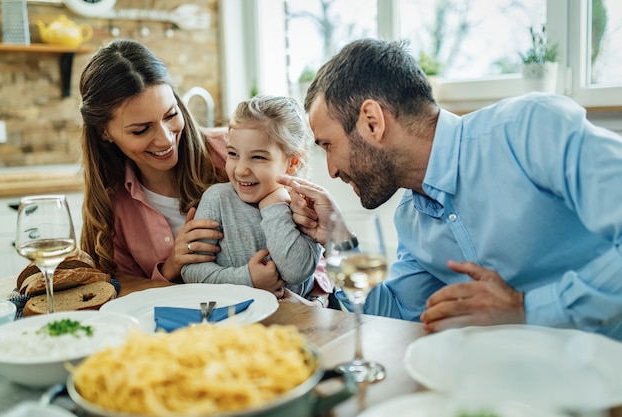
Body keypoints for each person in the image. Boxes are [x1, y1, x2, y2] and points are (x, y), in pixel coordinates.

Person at [278, 38, 622, 340]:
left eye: (329, 145)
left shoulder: (530, 130)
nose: (332, 170)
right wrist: (338, 238)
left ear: (373, 121)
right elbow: (398, 314)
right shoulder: (412, 218)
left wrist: (528, 309)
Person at [77, 39, 246, 285]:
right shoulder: (110, 204)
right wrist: (171, 267)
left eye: (171, 115)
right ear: (104, 132)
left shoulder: (234, 152)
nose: (165, 139)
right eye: (141, 130)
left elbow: (296, 232)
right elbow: (117, 292)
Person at [182, 95, 329, 298]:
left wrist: (275, 206)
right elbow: (191, 272)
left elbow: (296, 273)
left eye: (258, 157)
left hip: (293, 322)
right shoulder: (218, 199)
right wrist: (247, 279)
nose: (241, 170)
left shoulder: (303, 207)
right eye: (233, 154)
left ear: (292, 162)